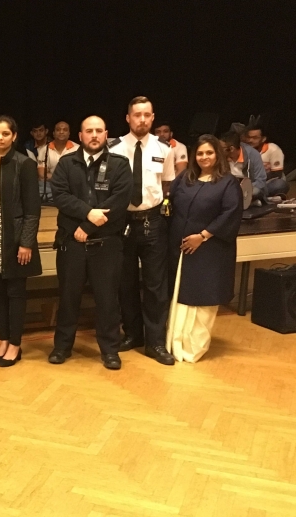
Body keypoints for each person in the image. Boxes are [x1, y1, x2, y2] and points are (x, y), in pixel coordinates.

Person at [49, 116, 133, 370]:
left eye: (99, 130)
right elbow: (60, 197)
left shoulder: (120, 164)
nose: (94, 135)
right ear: (81, 135)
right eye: (89, 131)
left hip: (106, 244)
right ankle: (62, 347)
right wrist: (88, 214)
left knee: (108, 300)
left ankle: (110, 350)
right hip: (71, 243)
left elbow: (119, 202)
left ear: (106, 134)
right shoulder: (66, 164)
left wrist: (86, 227)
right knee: (68, 298)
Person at [109, 96, 176, 365]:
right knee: (125, 283)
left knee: (155, 284)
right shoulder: (113, 148)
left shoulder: (165, 149)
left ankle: (156, 342)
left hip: (153, 221)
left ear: (153, 117)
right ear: (128, 118)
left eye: (147, 115)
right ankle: (133, 334)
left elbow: (167, 185)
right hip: (122, 222)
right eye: (137, 115)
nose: (142, 120)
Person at [166, 135, 243, 362]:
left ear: (217, 155)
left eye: (209, 153)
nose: (204, 157)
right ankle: (174, 343)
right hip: (181, 249)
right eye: (200, 153)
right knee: (180, 295)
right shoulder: (185, 179)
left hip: (210, 252)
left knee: (202, 300)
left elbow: (231, 214)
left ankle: (193, 348)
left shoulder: (228, 183)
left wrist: (202, 236)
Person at [0, 116, 41, 367]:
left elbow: (32, 208)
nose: (0, 138)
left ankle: (15, 344)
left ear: (14, 136)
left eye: (5, 134)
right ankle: (3, 340)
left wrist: (26, 242)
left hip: (15, 241)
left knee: (15, 293)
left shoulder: (24, 164)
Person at [219, 130, 268, 203]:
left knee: (256, 191)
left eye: (221, 148)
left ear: (231, 149)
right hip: (229, 188)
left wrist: (243, 188)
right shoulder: (221, 156)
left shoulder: (252, 155)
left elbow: (261, 180)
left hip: (247, 187)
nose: (218, 150)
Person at [37, 121, 80, 203]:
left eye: (65, 130)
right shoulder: (44, 150)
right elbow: (42, 175)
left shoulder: (78, 149)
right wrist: (61, 180)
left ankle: (62, 198)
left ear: (69, 133)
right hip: (52, 185)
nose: (61, 132)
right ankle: (66, 199)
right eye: (58, 130)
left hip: (71, 185)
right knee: (40, 188)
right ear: (53, 133)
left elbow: (79, 174)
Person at [242, 124, 289, 197]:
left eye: (255, 138)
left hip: (267, 182)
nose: (250, 140)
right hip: (249, 183)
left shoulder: (273, 149)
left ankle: (254, 196)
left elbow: (277, 173)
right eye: (248, 137)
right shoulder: (244, 150)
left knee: (280, 184)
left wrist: (257, 181)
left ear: (263, 139)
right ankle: (256, 197)